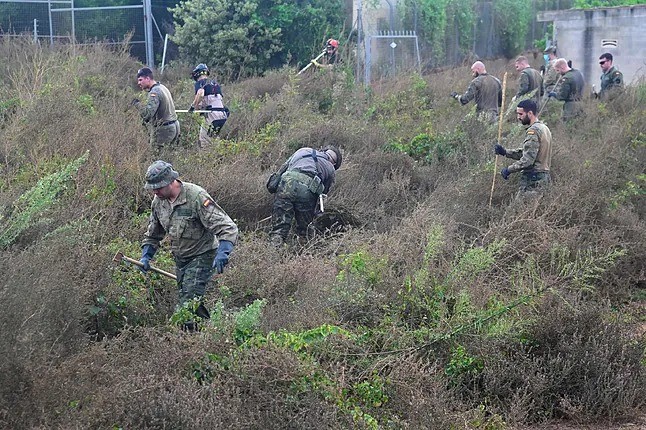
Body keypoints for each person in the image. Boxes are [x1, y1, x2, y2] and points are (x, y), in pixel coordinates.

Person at [139, 160, 238, 328]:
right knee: (192, 300)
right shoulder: (158, 202)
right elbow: (153, 234)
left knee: (188, 304)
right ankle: (210, 333)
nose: (155, 191)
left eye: (159, 187)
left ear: (171, 181)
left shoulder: (196, 197)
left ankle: (189, 340)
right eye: (152, 188)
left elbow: (227, 227)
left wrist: (224, 252)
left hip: (202, 255)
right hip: (181, 258)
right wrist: (146, 256)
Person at [268, 146, 342, 247]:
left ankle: (273, 252)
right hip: (306, 193)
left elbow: (282, 170)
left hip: (286, 185)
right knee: (304, 231)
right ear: (334, 163)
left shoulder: (303, 150)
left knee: (279, 228)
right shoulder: (330, 167)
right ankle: (301, 254)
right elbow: (323, 194)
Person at [494, 99, 552, 197]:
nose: (518, 117)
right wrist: (505, 152)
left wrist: (508, 170)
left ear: (530, 113)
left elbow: (527, 160)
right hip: (543, 178)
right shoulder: (544, 128)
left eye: (521, 114)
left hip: (533, 180)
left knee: (515, 210)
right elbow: (530, 153)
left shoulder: (533, 131)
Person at [134, 67, 180, 151]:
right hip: (174, 126)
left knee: (157, 159)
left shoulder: (154, 92)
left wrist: (137, 104)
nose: (139, 83)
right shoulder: (162, 87)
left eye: (140, 80)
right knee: (169, 159)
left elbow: (147, 115)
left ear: (148, 78)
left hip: (164, 130)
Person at [188, 63, 229, 148]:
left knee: (204, 140)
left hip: (212, 115)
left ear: (197, 74)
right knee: (214, 138)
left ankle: (207, 159)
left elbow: (201, 94)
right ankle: (219, 158)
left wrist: (193, 106)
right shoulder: (215, 84)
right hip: (222, 115)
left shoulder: (201, 83)